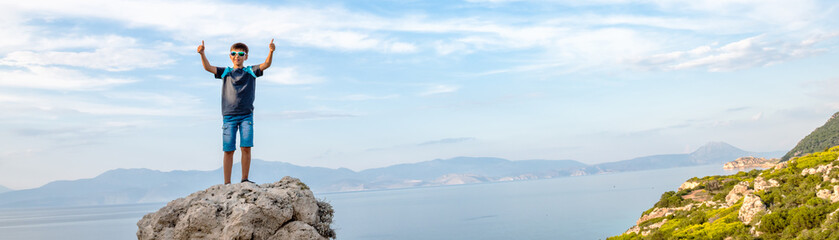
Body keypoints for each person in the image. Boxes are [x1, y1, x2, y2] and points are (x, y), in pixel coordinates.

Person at [197, 39, 275, 184]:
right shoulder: (226, 72)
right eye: (234, 53)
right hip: (229, 116)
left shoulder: (250, 71)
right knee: (228, 150)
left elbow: (266, 64)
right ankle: (227, 183)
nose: (237, 56)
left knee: (246, 147)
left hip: (246, 116)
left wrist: (271, 51)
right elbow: (208, 67)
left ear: (246, 56)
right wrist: (202, 53)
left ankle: (244, 179)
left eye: (240, 54)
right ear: (230, 56)